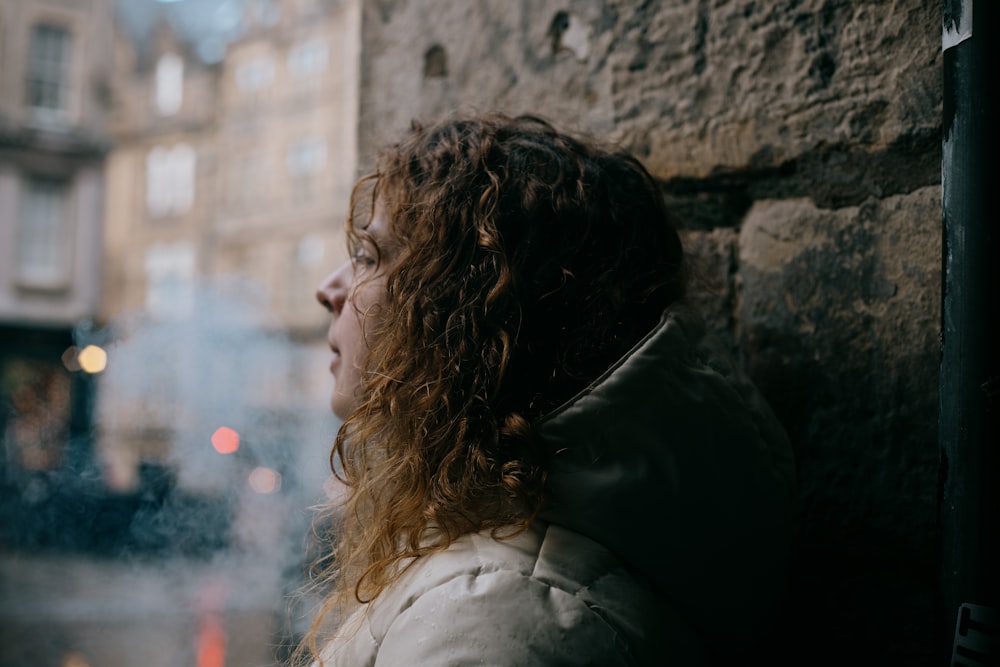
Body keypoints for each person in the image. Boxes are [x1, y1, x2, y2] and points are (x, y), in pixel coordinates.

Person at [302, 112, 797, 666]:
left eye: (369, 257)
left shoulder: (494, 622)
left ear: (468, 316)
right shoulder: (504, 578)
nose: (329, 288)